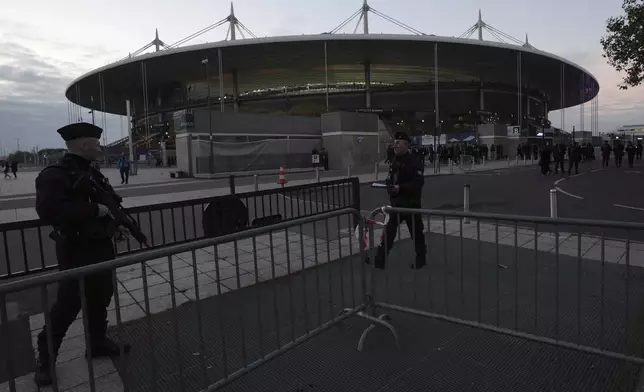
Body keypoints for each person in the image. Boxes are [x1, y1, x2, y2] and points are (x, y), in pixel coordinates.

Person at [33, 122, 131, 386]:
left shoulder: (92, 172)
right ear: (84, 146)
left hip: (100, 246)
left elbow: (108, 201)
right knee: (67, 305)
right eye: (96, 144)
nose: (100, 149)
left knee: (101, 296)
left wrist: (115, 223)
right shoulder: (55, 175)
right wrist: (94, 211)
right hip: (76, 249)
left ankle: (97, 342)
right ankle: (45, 359)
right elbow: (50, 212)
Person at [369, 131, 426, 270]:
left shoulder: (415, 161)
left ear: (406, 146)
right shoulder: (394, 160)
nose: (394, 145)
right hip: (396, 205)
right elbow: (391, 178)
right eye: (394, 143)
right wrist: (388, 185)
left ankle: (421, 259)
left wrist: (401, 188)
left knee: (417, 234)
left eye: (398, 143)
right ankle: (379, 261)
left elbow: (418, 183)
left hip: (411, 205)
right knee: (388, 233)